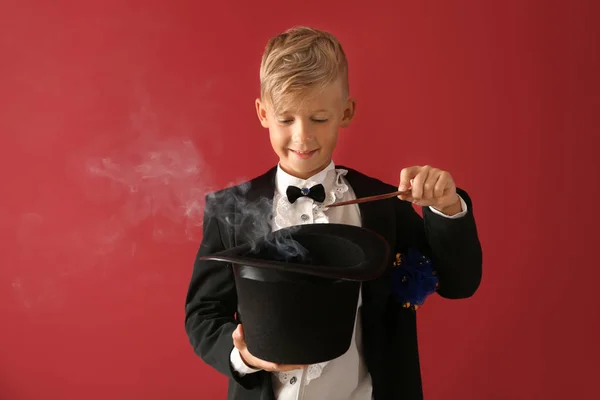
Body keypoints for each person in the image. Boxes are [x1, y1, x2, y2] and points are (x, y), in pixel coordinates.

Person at [184, 26, 482, 400]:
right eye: (286, 119)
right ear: (263, 113)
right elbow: (203, 313)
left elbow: (459, 283)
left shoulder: (384, 204)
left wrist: (446, 206)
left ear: (347, 111)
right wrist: (242, 356)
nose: (303, 136)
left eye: (320, 119)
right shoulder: (230, 209)